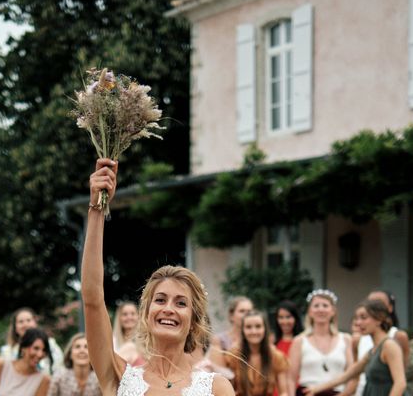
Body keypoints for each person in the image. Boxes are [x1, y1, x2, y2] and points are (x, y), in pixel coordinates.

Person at [81, 159, 234, 396]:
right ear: (146, 312)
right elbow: (92, 299)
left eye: (181, 303)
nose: (168, 309)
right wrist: (97, 209)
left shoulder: (216, 387)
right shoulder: (120, 377)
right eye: (160, 300)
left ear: (194, 320)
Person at [304, 299, 406, 396]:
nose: (358, 323)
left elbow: (400, 383)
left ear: (379, 319)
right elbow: (348, 375)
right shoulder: (372, 351)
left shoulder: (389, 346)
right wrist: (315, 389)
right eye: (357, 318)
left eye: (363, 318)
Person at [288, 289, 353, 396]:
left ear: (333, 311)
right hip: (307, 392)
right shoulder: (299, 341)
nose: (321, 309)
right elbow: (291, 378)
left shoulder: (346, 339)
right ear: (309, 311)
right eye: (316, 306)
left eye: (325, 305)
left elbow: (352, 375)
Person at [352, 290, 409, 396]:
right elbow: (352, 373)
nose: (359, 322)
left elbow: (400, 381)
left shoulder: (392, 340)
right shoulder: (367, 344)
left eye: (378, 303)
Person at [224, 310, 288, 396]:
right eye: (248, 327)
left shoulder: (276, 356)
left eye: (258, 326)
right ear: (243, 330)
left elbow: (284, 392)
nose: (254, 331)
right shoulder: (233, 356)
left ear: (265, 329)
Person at [0, 327, 50, 396]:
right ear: (23, 348)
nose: (40, 354)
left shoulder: (44, 380)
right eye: (36, 348)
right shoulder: (1, 365)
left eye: (44, 350)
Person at [0, 308, 63, 375]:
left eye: (28, 320)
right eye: (21, 322)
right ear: (15, 327)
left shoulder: (50, 344)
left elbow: (59, 365)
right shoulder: (7, 351)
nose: (25, 324)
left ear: (35, 323)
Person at [113, 302, 145, 366]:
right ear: (119, 318)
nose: (129, 317)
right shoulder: (113, 341)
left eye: (133, 314)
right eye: (125, 314)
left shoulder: (145, 339)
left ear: (138, 316)